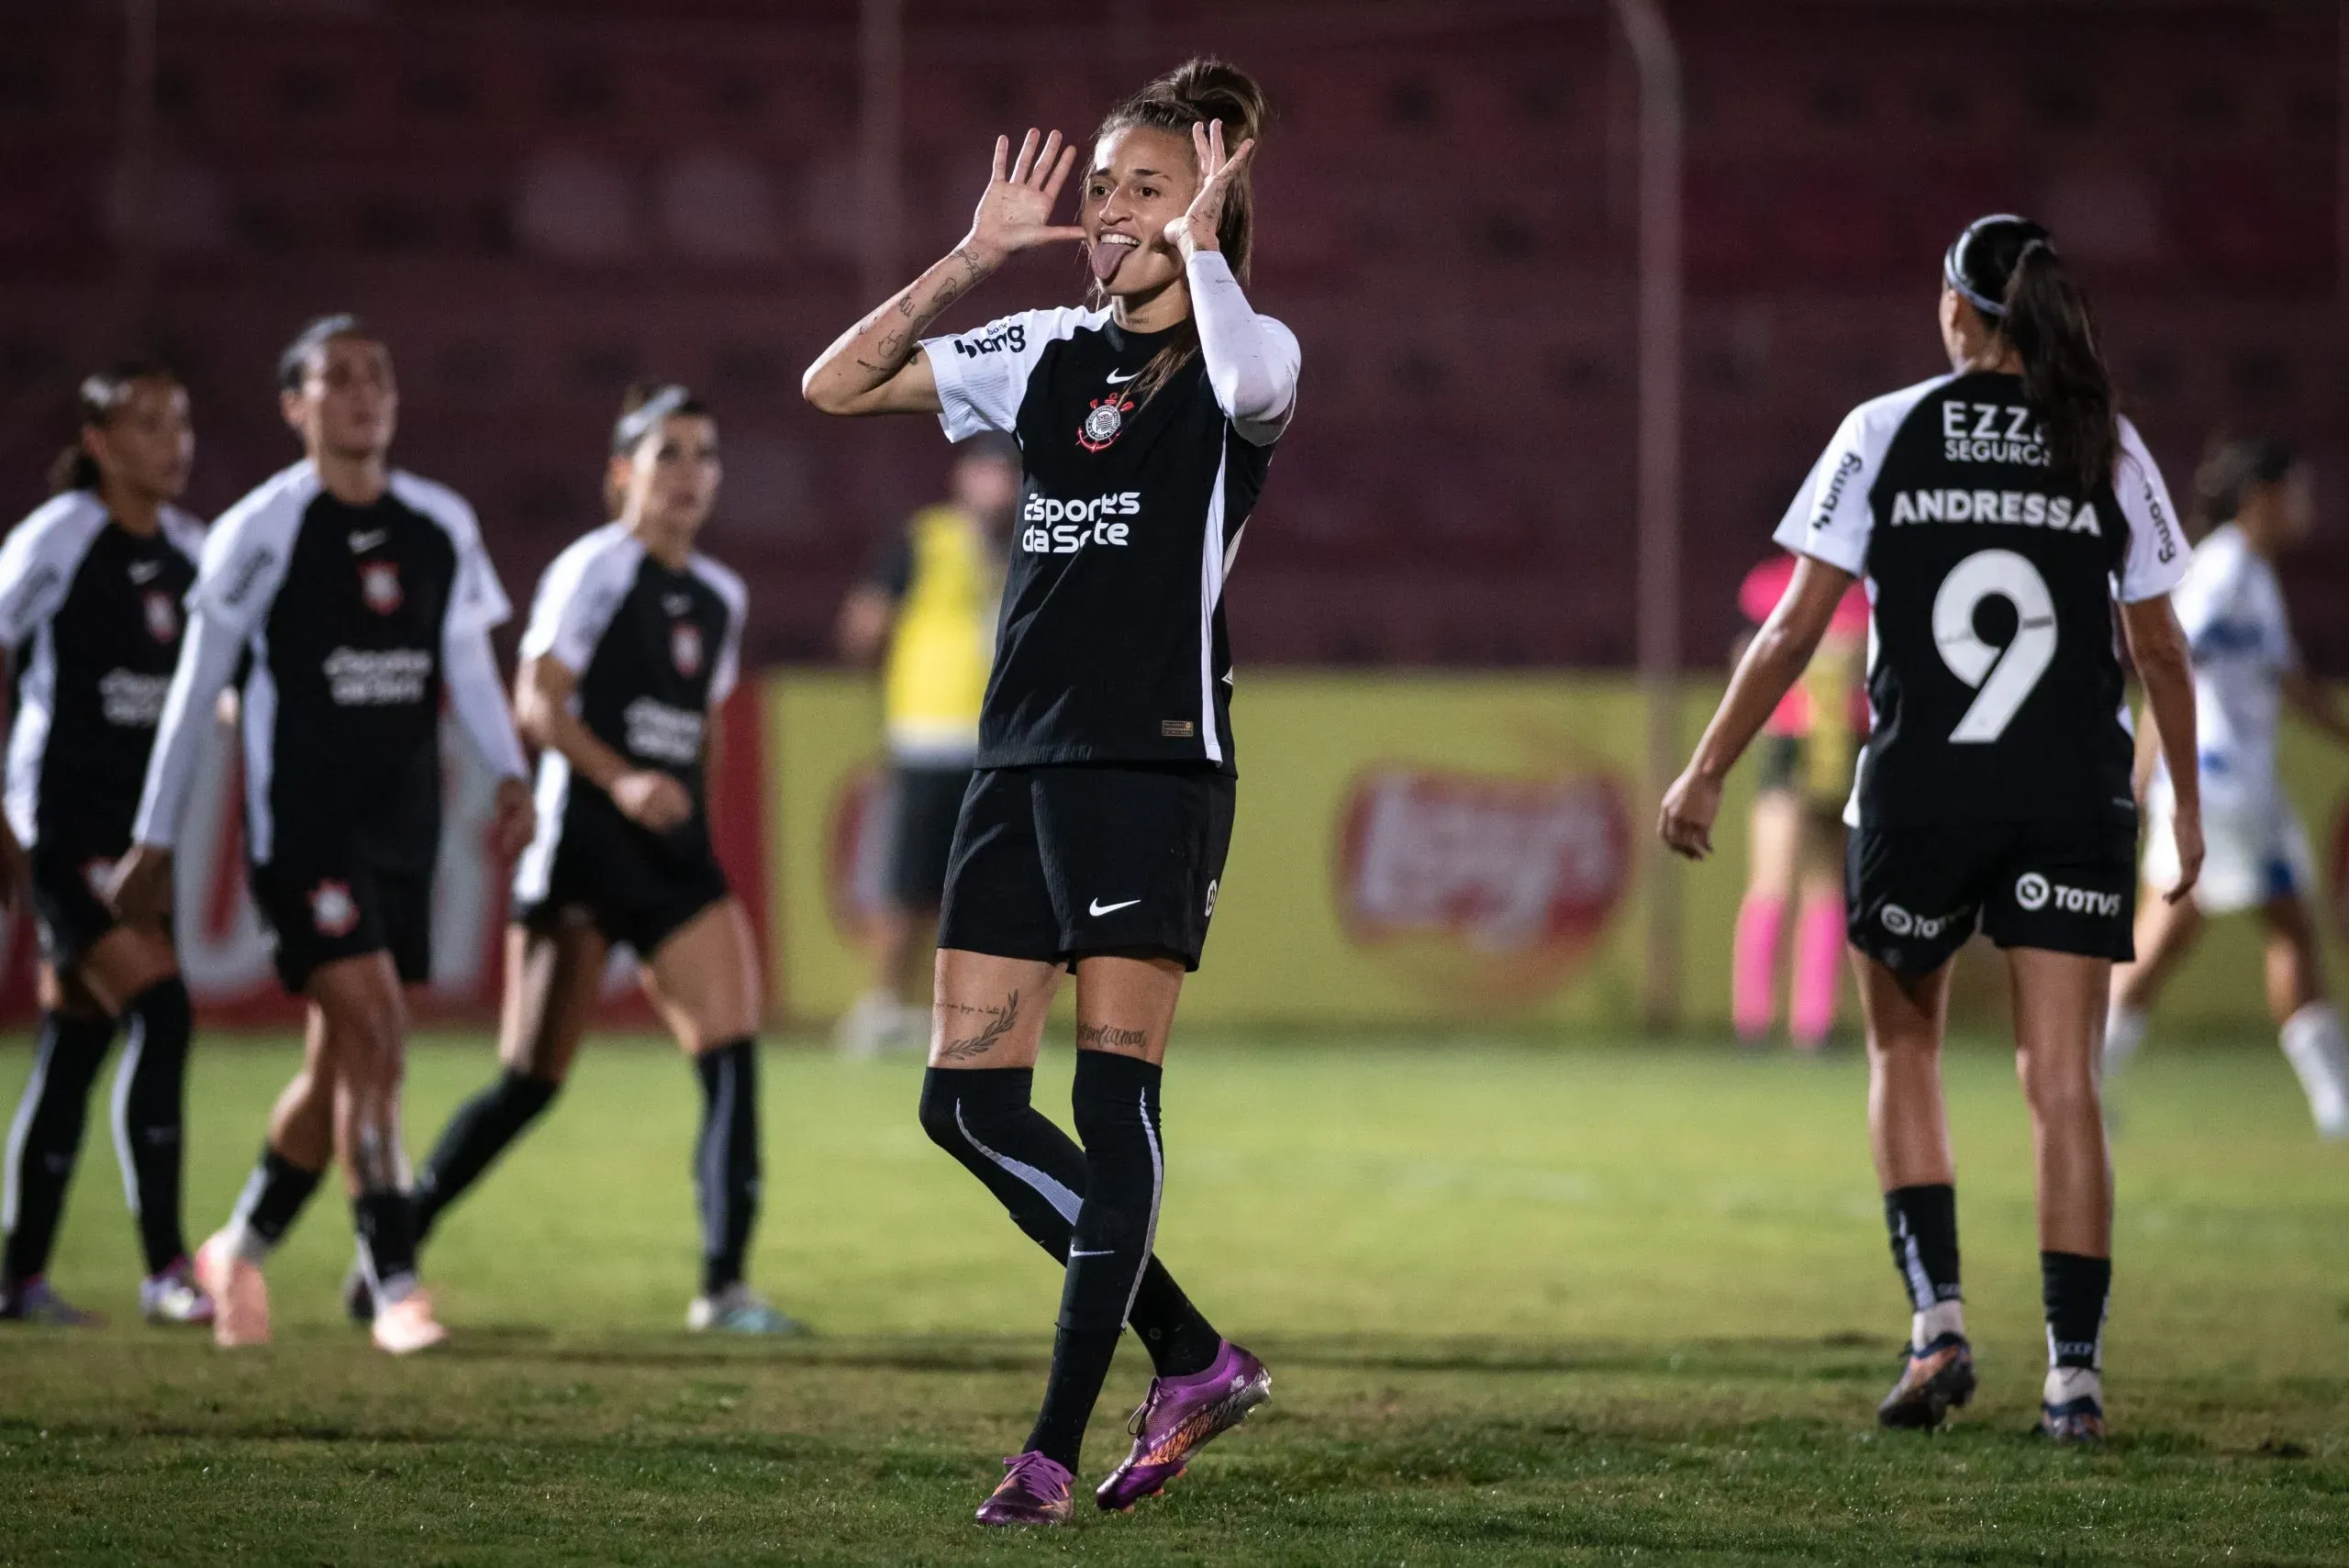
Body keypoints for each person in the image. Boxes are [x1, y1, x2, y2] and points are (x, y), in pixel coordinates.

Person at [802, 58, 1297, 1525]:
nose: (1114, 208)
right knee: (963, 1105)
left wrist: (1203, 246)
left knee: (1109, 1091)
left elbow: (1255, 384)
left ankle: (1051, 1450)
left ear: (1210, 206)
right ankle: (1193, 1355)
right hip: (1013, 763)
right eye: (1104, 186)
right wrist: (971, 257)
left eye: (1150, 186)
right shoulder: (1043, 348)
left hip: (1152, 764)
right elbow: (834, 386)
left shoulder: (1246, 352)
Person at [1660, 214, 2202, 1446]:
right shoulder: (2103, 438)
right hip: (2071, 796)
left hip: (1920, 794)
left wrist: (1704, 770)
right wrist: (2187, 803)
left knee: (1904, 1052)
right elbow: (2162, 649)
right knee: (2062, 1084)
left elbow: (1793, 629)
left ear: (1957, 311)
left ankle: (1939, 1324)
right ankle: (2074, 1379)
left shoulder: (1885, 429)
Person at [110, 316, 534, 1355]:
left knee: (343, 1060)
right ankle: (395, 1282)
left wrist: (510, 772)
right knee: (378, 1032)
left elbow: (468, 666)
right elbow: (195, 691)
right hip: (303, 832)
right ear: (293, 406)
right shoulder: (259, 531)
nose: (362, 392)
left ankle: (238, 1246)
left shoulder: (438, 522)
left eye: (375, 374)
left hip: (404, 825)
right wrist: (154, 838)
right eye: (336, 377)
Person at [360, 383, 798, 1333]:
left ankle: (723, 1287)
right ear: (621, 473)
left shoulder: (720, 594)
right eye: (668, 453)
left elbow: (704, 726)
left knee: (731, 1056)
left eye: (705, 454)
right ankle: (395, 1243)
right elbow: (538, 700)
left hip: (672, 859)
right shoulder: (594, 569)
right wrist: (625, 779)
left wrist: (692, 820)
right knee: (530, 1081)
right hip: (584, 851)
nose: (690, 474)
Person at [0, 365, 211, 1327]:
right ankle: (167, 1267)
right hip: (61, 825)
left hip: (139, 837)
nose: (173, 442)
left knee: (77, 1043)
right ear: (98, 442)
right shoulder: (58, 540)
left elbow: (220, 674)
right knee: (162, 1013)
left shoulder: (192, 550)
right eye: (148, 423)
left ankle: (19, 1278)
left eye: (181, 423)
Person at [2105, 437, 2349, 1135]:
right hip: (2222, 781)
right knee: (2286, 926)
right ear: (2258, 497)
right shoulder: (2223, 571)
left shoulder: (2251, 574)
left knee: (2169, 934)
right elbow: (2168, 661)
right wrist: (2145, 771)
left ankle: (2082, 1076)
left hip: (2223, 783)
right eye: (2293, 490)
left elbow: (2290, 682)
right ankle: (2337, 1102)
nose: (2304, 505)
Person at [833, 436, 1016, 1058]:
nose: (999, 487)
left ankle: (981, 1012)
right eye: (988, 473)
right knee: (907, 881)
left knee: (990, 886)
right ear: (963, 478)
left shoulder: (1029, 544)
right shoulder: (924, 539)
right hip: (928, 737)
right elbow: (865, 624)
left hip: (999, 744)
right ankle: (884, 1004)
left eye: (1008, 475)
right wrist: (892, 690)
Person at [1729, 553, 1869, 1050]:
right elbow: (1746, 656)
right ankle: (1759, 1021)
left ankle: (1808, 1024)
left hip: (1836, 742)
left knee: (1822, 882)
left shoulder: (1862, 595)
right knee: (1780, 878)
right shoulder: (1772, 585)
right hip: (1794, 739)